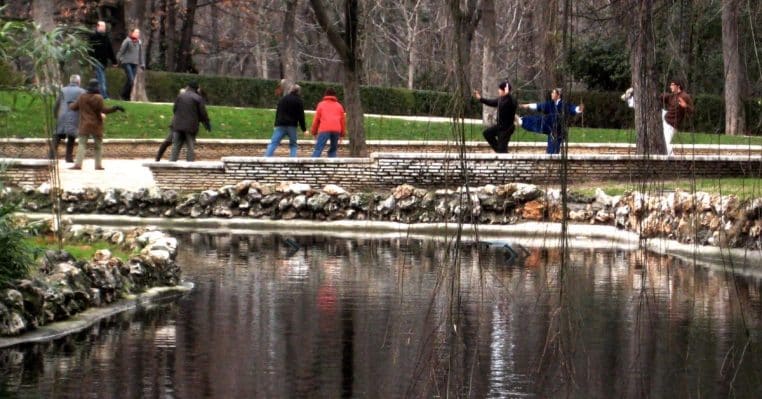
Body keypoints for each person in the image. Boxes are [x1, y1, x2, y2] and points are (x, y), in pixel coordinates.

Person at [69, 79, 124, 170]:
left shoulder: (82, 97)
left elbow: (74, 107)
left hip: (85, 125)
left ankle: (78, 164)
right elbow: (104, 110)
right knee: (98, 145)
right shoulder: (99, 97)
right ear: (97, 87)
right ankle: (98, 165)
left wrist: (69, 103)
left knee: (82, 144)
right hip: (96, 125)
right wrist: (115, 108)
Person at [518, 88, 583, 154]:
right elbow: (539, 106)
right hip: (551, 129)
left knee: (554, 150)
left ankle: (522, 121)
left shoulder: (564, 105)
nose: (551, 94)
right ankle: (522, 121)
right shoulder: (550, 104)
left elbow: (572, 109)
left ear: (558, 95)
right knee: (537, 121)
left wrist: (578, 109)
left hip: (558, 132)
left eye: (553, 93)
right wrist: (527, 105)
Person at [169, 81, 211, 162]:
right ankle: (189, 165)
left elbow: (174, 109)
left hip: (177, 125)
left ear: (188, 87)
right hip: (191, 127)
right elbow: (203, 114)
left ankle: (171, 165)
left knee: (175, 147)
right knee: (190, 147)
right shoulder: (198, 98)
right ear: (196, 88)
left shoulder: (180, 96)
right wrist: (207, 124)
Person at [473, 80, 518, 153]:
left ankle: (501, 152)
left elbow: (512, 102)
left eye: (500, 89)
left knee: (502, 150)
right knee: (487, 133)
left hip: (507, 129)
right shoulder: (501, 99)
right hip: (499, 126)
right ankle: (499, 150)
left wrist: (508, 95)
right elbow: (491, 102)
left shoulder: (512, 100)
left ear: (504, 90)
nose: (498, 91)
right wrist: (480, 99)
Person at [49, 75, 86, 163]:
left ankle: (51, 156)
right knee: (71, 137)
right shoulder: (82, 91)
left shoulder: (62, 90)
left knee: (57, 136)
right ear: (78, 82)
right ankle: (68, 157)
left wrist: (55, 114)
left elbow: (57, 103)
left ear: (70, 81)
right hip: (74, 116)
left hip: (62, 115)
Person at [264, 84, 306, 157]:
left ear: (290, 90)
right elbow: (301, 116)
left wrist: (275, 124)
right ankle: (292, 161)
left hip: (280, 125)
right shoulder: (299, 101)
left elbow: (278, 112)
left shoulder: (283, 99)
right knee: (293, 145)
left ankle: (265, 159)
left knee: (273, 143)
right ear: (299, 92)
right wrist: (304, 129)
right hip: (292, 126)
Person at [659, 79, 694, 156]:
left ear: (678, 86)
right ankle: (633, 99)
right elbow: (662, 96)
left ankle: (672, 159)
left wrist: (685, 106)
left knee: (665, 144)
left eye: (672, 85)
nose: (670, 86)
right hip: (664, 117)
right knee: (651, 107)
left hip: (671, 125)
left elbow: (692, 111)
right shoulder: (672, 96)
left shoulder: (685, 96)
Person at [309, 88, 346, 158]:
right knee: (333, 150)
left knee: (318, 149)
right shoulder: (339, 106)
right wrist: (342, 134)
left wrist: (314, 132)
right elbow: (342, 121)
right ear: (335, 96)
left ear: (325, 95)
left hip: (324, 129)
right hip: (336, 130)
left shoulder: (321, 105)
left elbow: (316, 120)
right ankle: (333, 166)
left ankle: (312, 165)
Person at [88, 21, 117, 99]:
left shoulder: (106, 37)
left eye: (104, 26)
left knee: (97, 80)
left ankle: (93, 94)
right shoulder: (93, 37)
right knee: (102, 79)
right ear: (98, 27)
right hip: (96, 61)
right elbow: (90, 50)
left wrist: (114, 61)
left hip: (104, 62)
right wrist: (91, 60)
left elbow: (109, 50)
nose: (104, 28)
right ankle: (104, 96)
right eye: (102, 26)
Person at [117, 28, 145, 101]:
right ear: (132, 33)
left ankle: (125, 96)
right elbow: (121, 51)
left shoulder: (139, 42)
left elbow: (141, 54)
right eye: (136, 32)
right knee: (131, 80)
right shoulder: (127, 41)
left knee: (130, 81)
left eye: (138, 33)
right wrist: (118, 60)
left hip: (135, 63)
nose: (138, 34)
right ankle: (124, 95)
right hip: (126, 62)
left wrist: (142, 63)